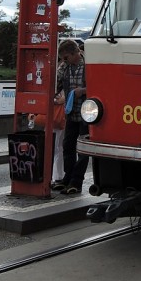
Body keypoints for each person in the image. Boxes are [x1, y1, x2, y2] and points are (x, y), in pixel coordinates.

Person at [56, 39, 87, 195]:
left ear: (76, 53)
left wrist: (82, 91)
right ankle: (67, 177)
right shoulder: (64, 67)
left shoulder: (89, 65)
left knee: (82, 149)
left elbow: (100, 86)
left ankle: (77, 182)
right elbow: (56, 85)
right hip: (71, 113)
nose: (63, 61)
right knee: (68, 146)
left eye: (66, 57)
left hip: (86, 114)